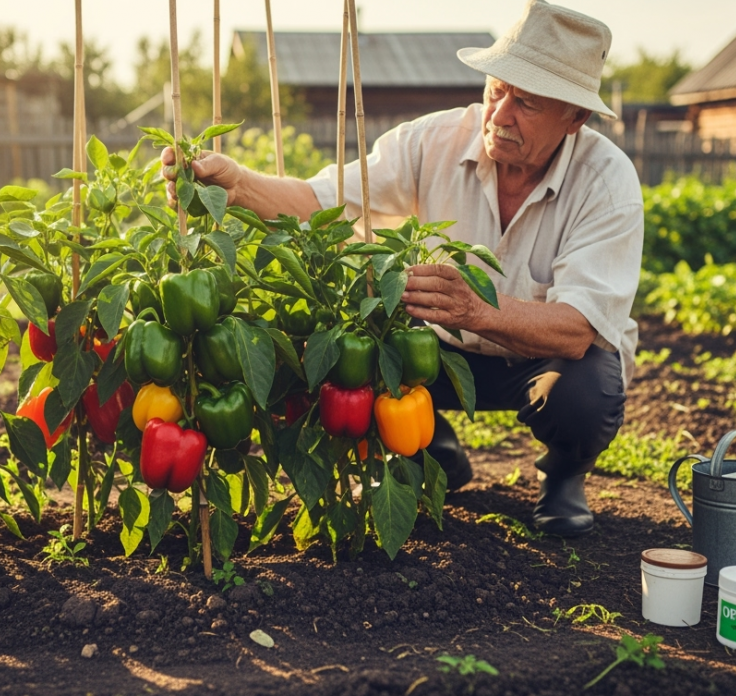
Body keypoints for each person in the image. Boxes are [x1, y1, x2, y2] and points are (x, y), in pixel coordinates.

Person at [161, 0, 643, 537]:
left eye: (526, 103)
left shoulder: (606, 182)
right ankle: (428, 451)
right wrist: (239, 185)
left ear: (574, 118)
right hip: (437, 351)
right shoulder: (431, 141)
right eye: (496, 90)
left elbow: (578, 327)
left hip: (542, 361)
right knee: (364, 345)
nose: (500, 115)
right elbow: (325, 202)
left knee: (586, 389)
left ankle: (564, 476)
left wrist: (479, 310)